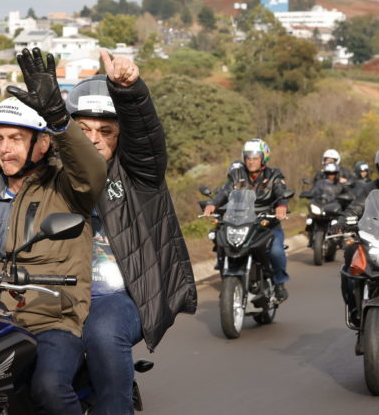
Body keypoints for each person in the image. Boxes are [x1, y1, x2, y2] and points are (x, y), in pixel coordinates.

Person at [0, 47, 106, 415]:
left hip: (51, 316)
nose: (5, 149)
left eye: (16, 139)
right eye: (0, 139)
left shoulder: (66, 188)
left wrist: (58, 117)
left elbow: (93, 172)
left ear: (42, 143)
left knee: (50, 388)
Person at [66, 52, 197, 415]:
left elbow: (146, 139)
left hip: (127, 294)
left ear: (120, 136)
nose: (94, 140)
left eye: (106, 132)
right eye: (84, 131)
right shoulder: (56, 177)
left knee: (104, 331)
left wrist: (129, 91)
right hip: (60, 293)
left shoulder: (139, 173)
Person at [203, 139, 290, 301]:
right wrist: (212, 204)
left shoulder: (274, 175)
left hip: (266, 224)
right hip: (242, 221)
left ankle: (279, 283)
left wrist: (281, 205)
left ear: (264, 158)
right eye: (248, 157)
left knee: (276, 251)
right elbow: (225, 192)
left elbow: (280, 192)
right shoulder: (237, 174)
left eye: (255, 157)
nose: (251, 161)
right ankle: (229, 284)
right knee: (223, 244)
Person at [337, 146, 379, 326]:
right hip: (374, 240)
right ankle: (354, 309)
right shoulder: (369, 188)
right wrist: (341, 221)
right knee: (350, 257)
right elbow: (355, 207)